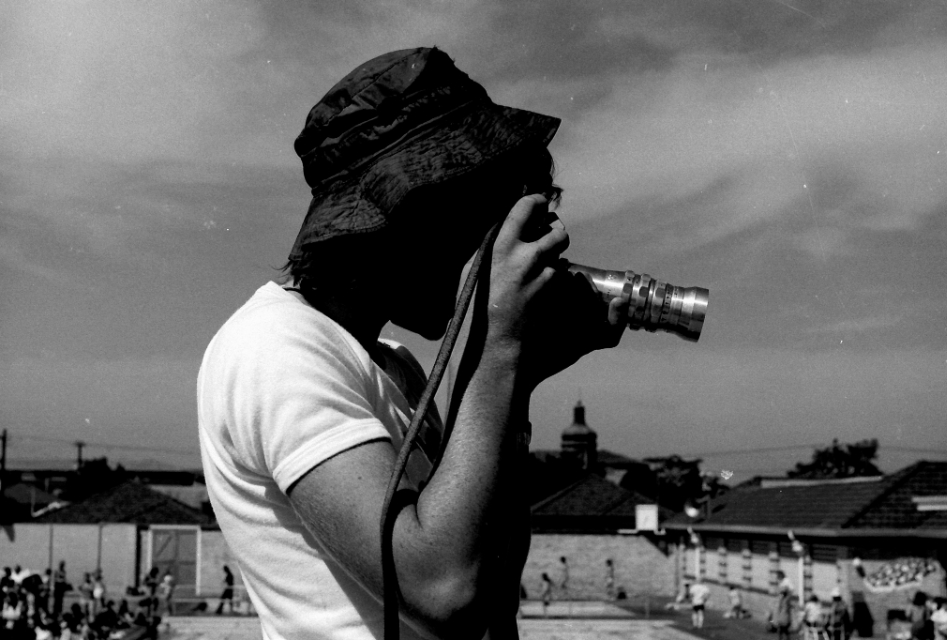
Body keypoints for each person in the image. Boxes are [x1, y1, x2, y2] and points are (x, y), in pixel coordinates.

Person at [197, 46, 626, 640]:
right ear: (412, 215)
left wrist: (518, 376)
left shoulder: (393, 368)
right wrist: (497, 350)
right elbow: (442, 591)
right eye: (490, 227)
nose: (495, 254)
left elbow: (492, 585)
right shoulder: (276, 347)